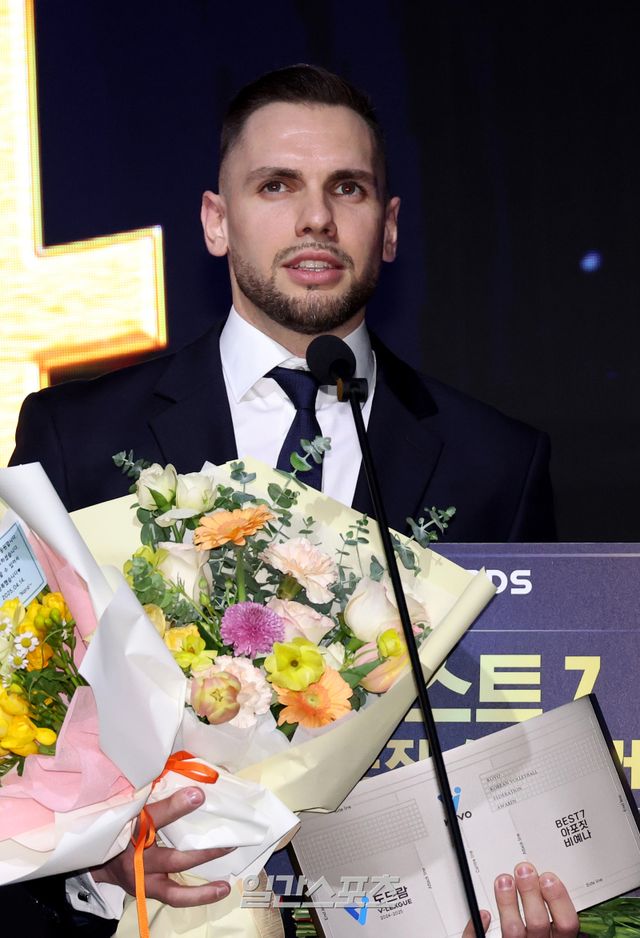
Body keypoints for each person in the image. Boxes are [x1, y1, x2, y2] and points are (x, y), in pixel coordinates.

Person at [7, 64, 564, 934]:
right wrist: (89, 865)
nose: (315, 218)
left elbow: (516, 728)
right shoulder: (74, 435)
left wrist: (519, 889)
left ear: (388, 228)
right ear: (216, 221)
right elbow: (16, 702)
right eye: (276, 185)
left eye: (348, 187)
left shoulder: (497, 462)